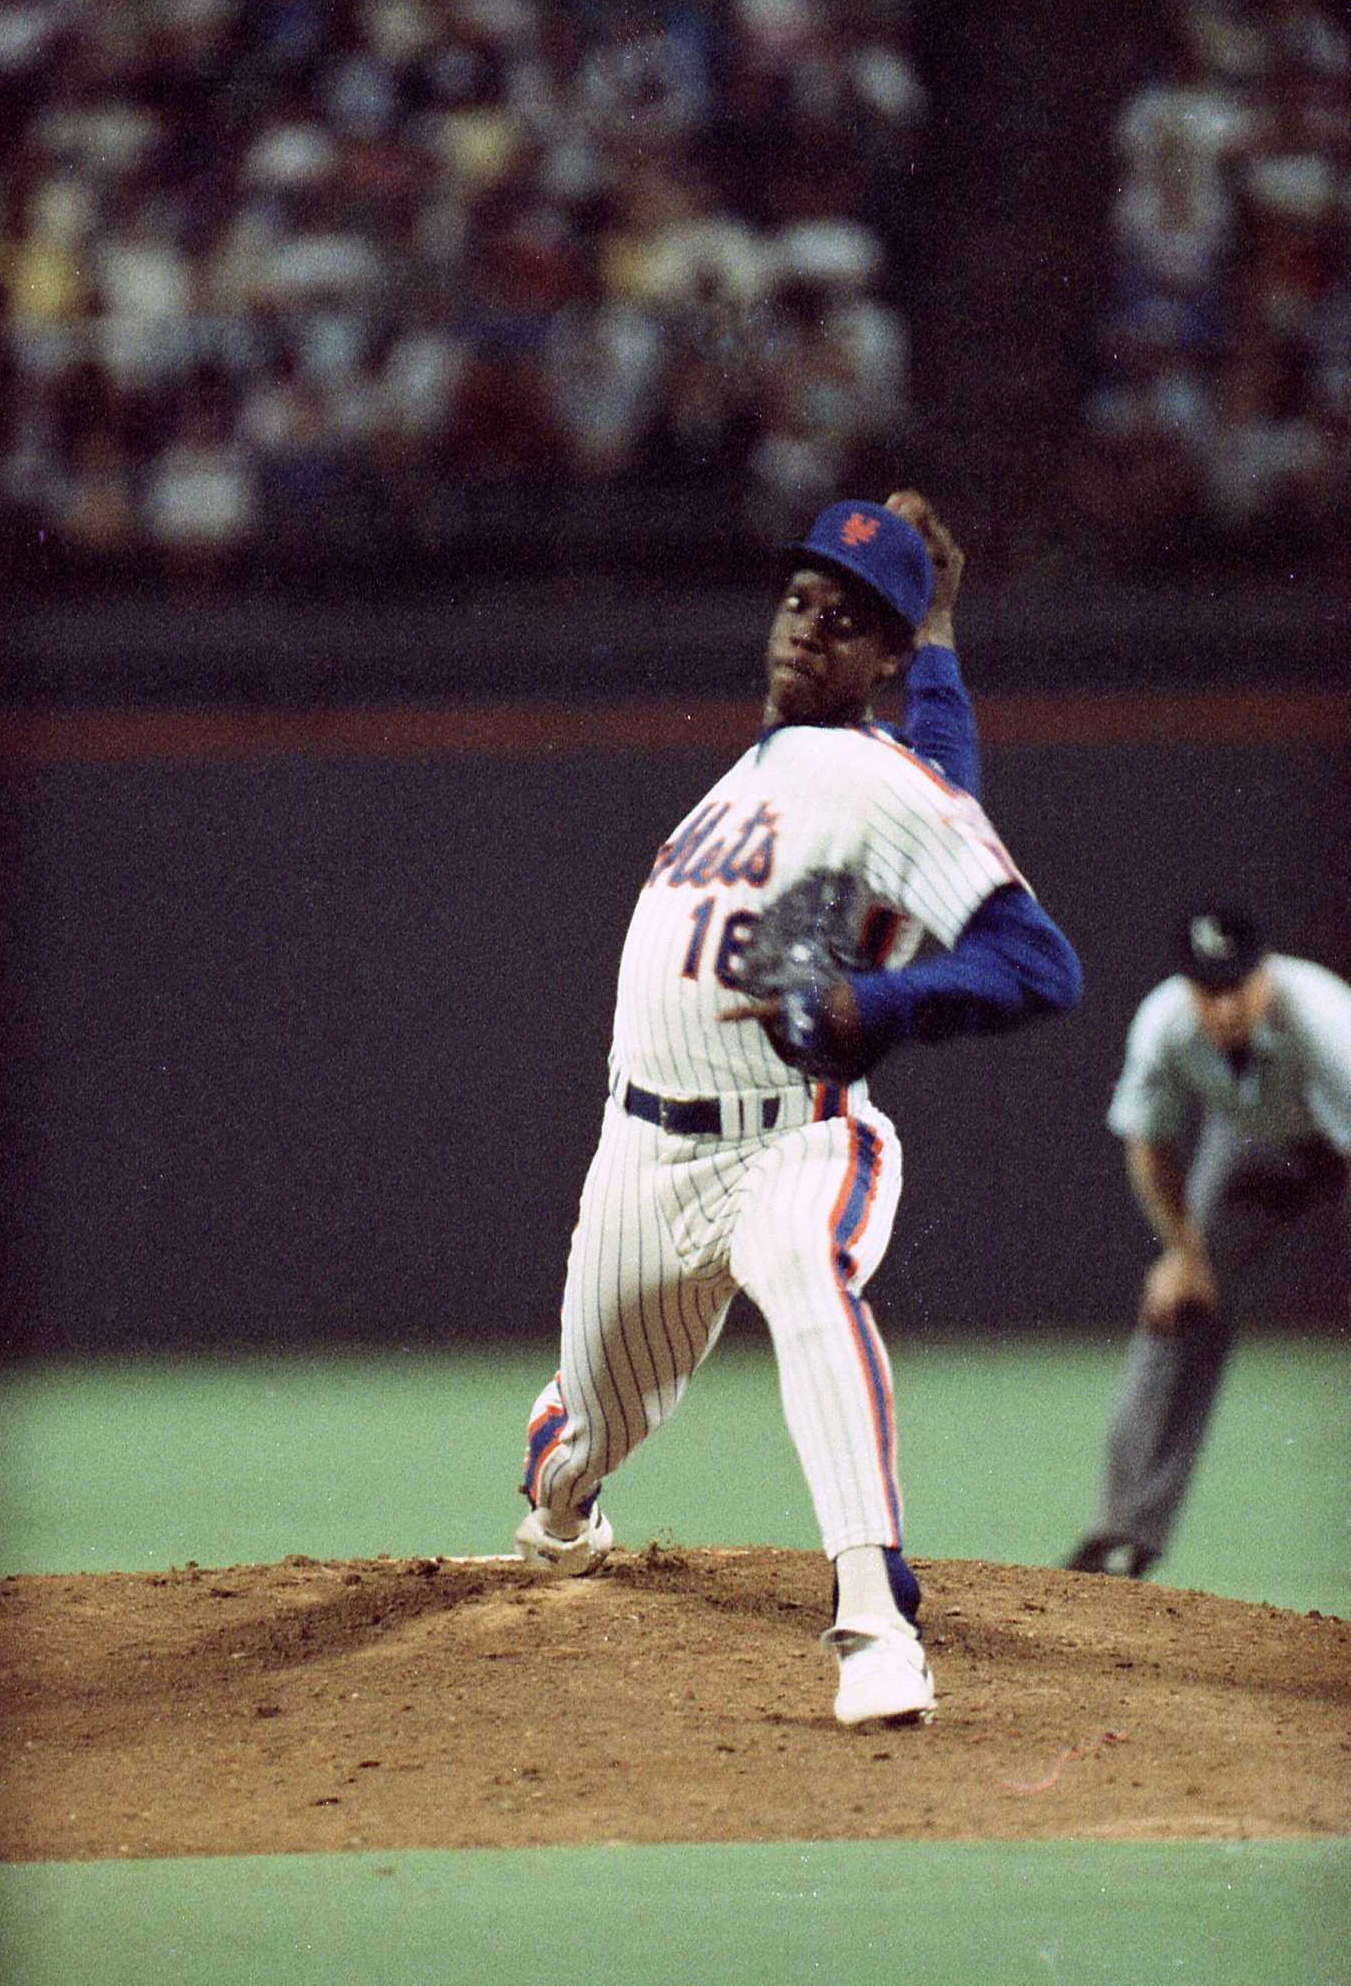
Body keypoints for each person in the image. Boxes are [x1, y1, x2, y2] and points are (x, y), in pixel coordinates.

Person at [514, 487, 1083, 1729]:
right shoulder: (764, 772)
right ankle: (566, 1496)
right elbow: (947, 791)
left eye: (847, 618)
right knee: (578, 1445)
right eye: (798, 600)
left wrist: (873, 1008)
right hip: (636, 1162)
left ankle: (873, 1623)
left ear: (882, 655)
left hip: (794, 1136)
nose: (807, 627)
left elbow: (1036, 963)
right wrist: (929, 632)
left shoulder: (868, 773)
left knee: (810, 1279)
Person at [1067, 905, 1351, 1581]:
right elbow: (1150, 1147)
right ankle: (1121, 1536)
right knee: (1177, 1305)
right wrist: (1186, 1257)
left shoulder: (1325, 1021)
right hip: (1253, 1145)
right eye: (1207, 990)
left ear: (1265, 973)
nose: (1222, 1007)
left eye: (1236, 986)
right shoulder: (1165, 1022)